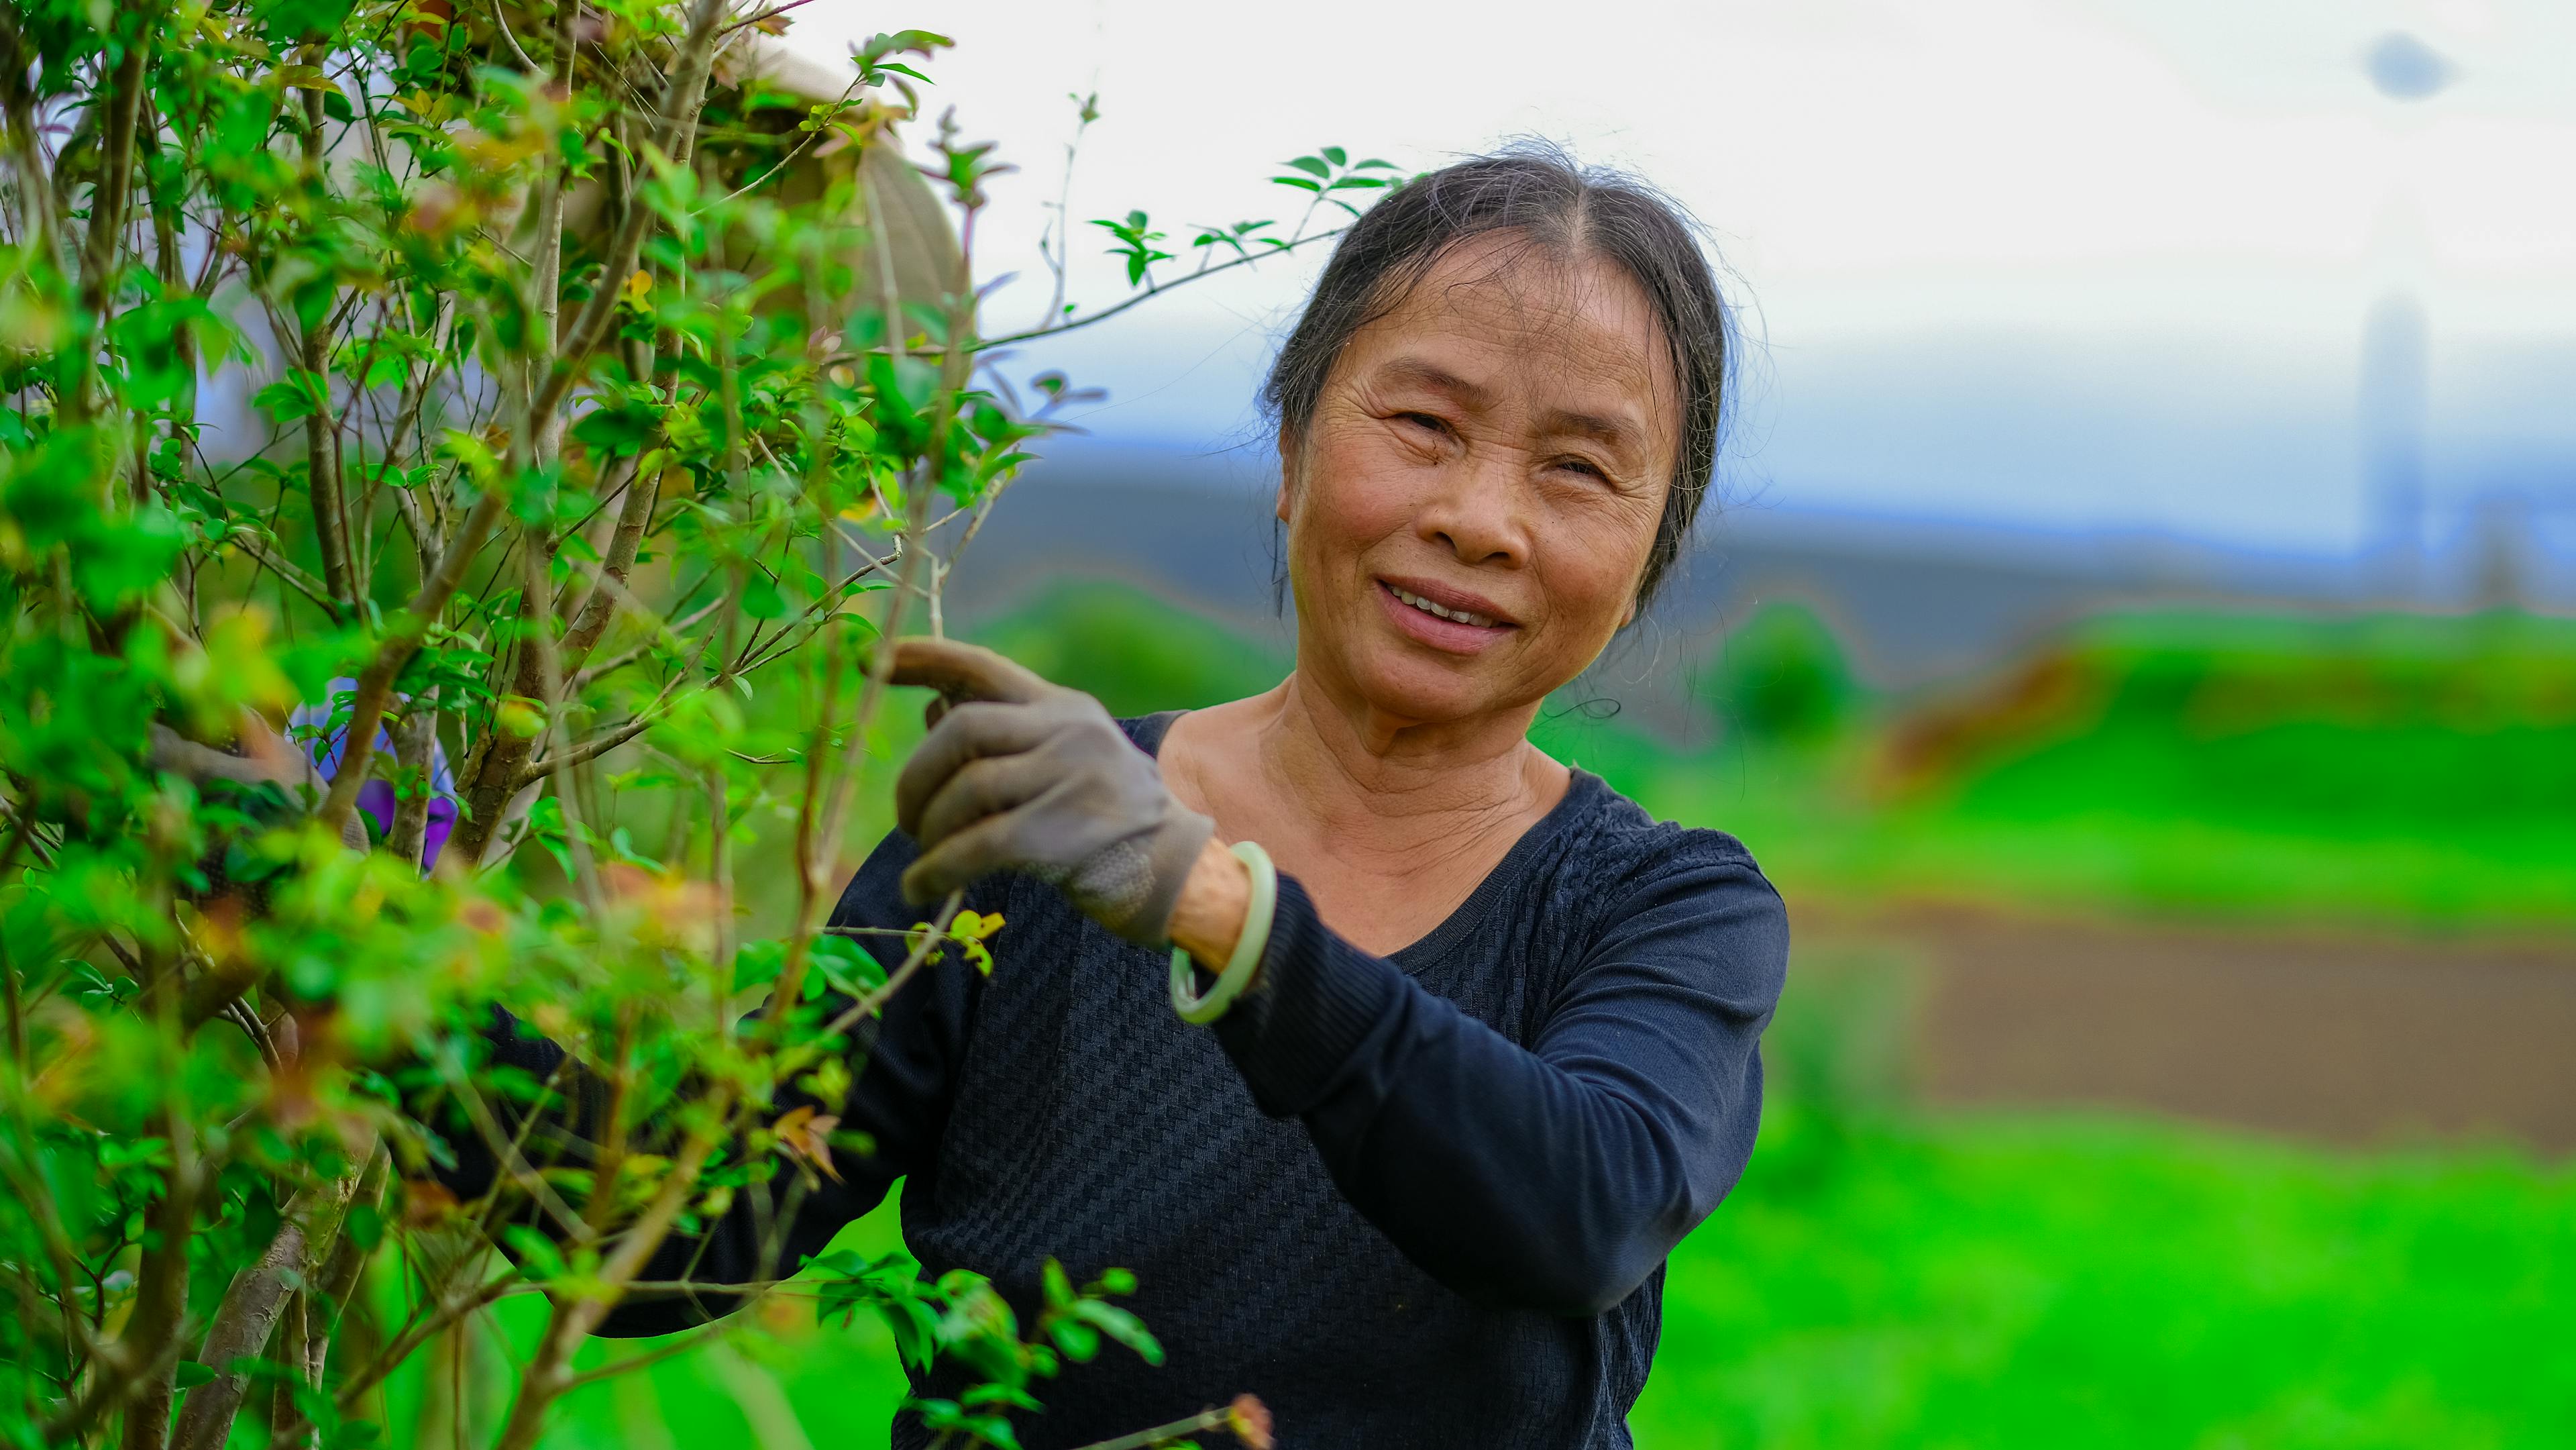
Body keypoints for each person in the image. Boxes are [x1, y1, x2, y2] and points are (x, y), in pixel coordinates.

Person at [490, 148, 1788, 1448]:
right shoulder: (1032, 829)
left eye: (1579, 469)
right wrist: (389, 941)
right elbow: (668, 1229)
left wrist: (1212, 908)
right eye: (1424, 425)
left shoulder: (1664, 909)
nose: (1481, 518)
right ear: (1293, 448)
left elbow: (1578, 1211)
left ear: (1647, 558)